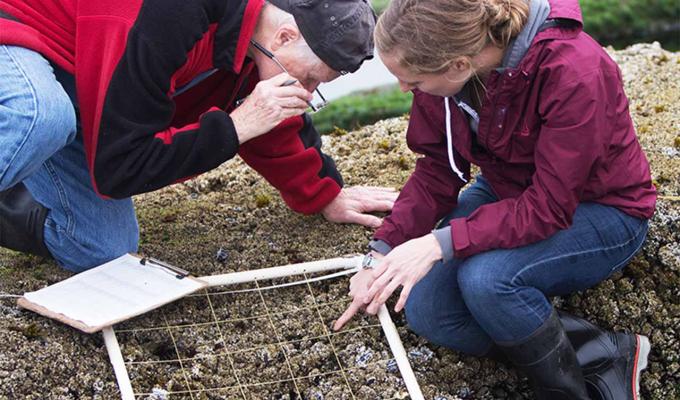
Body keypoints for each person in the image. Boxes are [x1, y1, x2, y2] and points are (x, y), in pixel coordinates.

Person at [334, 0, 656, 399]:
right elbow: (438, 168)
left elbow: (549, 207)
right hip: (507, 189)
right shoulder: (448, 73)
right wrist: (381, 253)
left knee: (488, 281)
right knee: (428, 308)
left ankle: (568, 391)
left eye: (413, 83)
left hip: (602, 210)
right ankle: (601, 352)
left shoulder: (574, 70)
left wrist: (438, 243)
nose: (403, 90)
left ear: (458, 66)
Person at [0, 0, 397, 272]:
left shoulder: (259, 38)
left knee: (103, 248)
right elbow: (118, 168)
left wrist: (322, 194)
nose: (307, 93)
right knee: (37, 115)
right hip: (17, 33)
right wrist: (236, 127)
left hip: (85, 78)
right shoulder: (163, 17)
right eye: (309, 79)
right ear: (285, 36)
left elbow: (265, 113)